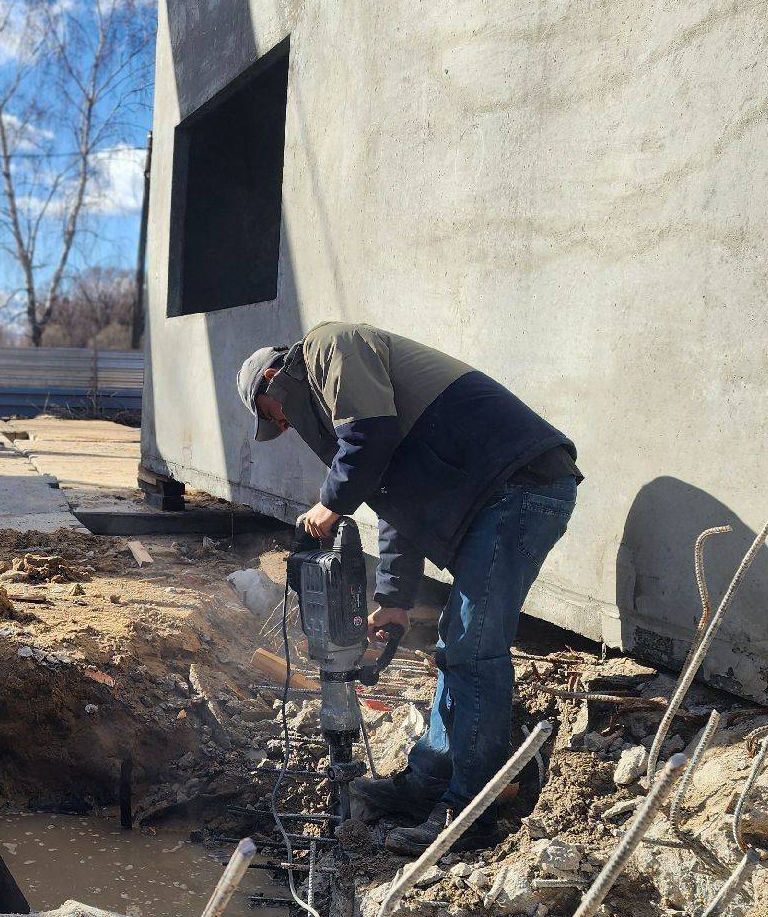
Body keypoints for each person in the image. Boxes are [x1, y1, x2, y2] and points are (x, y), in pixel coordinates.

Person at [237, 321, 580, 855]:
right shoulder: (350, 414)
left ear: (271, 383)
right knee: (456, 649)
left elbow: (368, 440)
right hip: (498, 494)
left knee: (473, 649)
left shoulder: (334, 345)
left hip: (519, 484)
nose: (282, 426)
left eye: (272, 417)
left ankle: (472, 814)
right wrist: (394, 600)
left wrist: (330, 505)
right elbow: (396, 499)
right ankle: (426, 784)